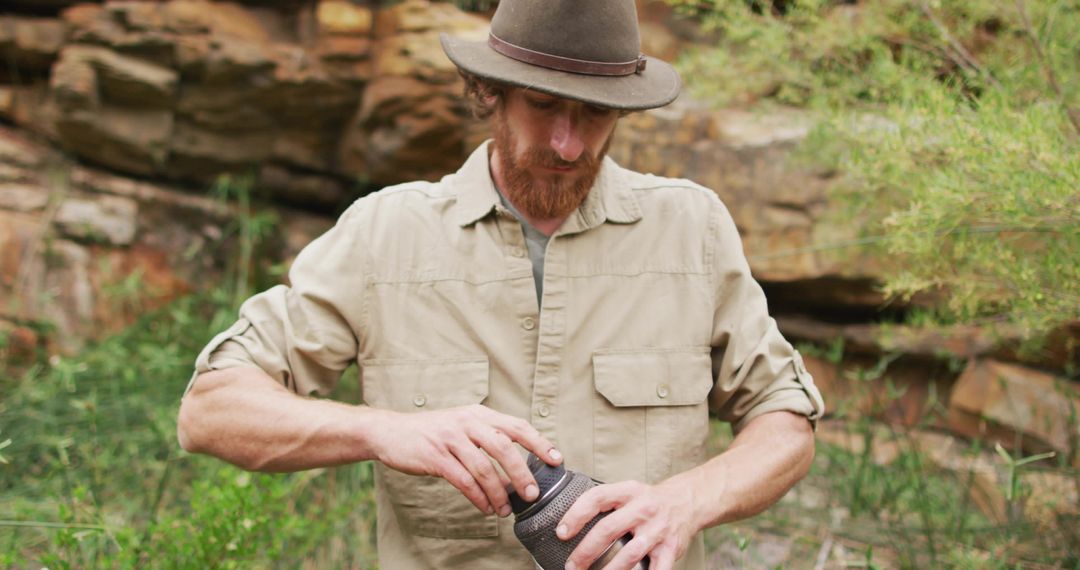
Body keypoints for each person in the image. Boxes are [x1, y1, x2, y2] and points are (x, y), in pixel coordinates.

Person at [177, 1, 824, 569]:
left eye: (596, 113)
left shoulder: (692, 227)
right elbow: (211, 410)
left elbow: (786, 422)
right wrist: (383, 431)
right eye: (543, 106)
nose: (568, 145)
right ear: (491, 91)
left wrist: (687, 501)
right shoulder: (384, 234)